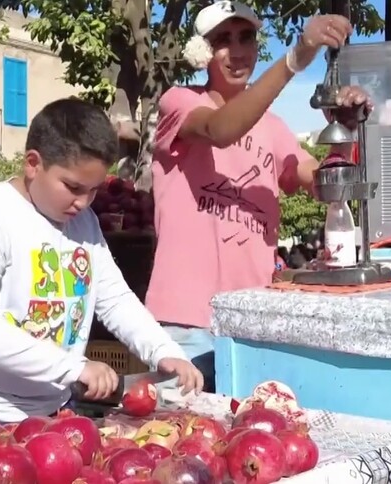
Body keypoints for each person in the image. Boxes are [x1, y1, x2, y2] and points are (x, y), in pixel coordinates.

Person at [0, 98, 203, 441]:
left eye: (93, 191)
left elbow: (114, 299)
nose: (84, 202)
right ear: (33, 164)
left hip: (55, 413)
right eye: (73, 187)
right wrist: (72, 368)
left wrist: (164, 352)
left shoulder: (84, 223)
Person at [144, 0, 371, 390]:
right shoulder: (179, 101)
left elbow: (321, 183)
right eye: (222, 40)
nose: (236, 51)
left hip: (253, 323)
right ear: (203, 51)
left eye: (245, 37)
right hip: (187, 325)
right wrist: (296, 59)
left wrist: (347, 130)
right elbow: (220, 130)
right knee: (180, 440)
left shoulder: (275, 127)